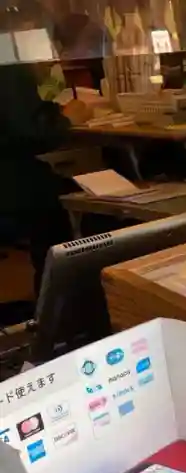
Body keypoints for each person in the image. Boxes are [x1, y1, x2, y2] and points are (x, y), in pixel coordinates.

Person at [0, 62, 90, 304]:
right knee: (80, 201)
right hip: (9, 184)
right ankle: (61, 306)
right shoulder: (10, 66)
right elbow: (30, 133)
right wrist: (66, 120)